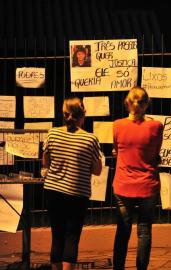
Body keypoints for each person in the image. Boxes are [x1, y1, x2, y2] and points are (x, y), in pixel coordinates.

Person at [42, 97, 102, 270]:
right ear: (83, 115)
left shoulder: (52, 133)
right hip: (77, 194)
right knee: (72, 236)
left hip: (53, 191)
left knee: (57, 236)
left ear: (64, 115)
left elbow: (45, 162)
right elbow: (97, 170)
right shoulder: (90, 140)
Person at [112, 86, 164, 270]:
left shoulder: (117, 125)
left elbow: (117, 151)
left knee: (123, 230)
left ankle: (118, 268)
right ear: (147, 104)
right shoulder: (156, 126)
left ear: (127, 104)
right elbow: (155, 153)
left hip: (123, 185)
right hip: (147, 186)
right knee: (144, 230)